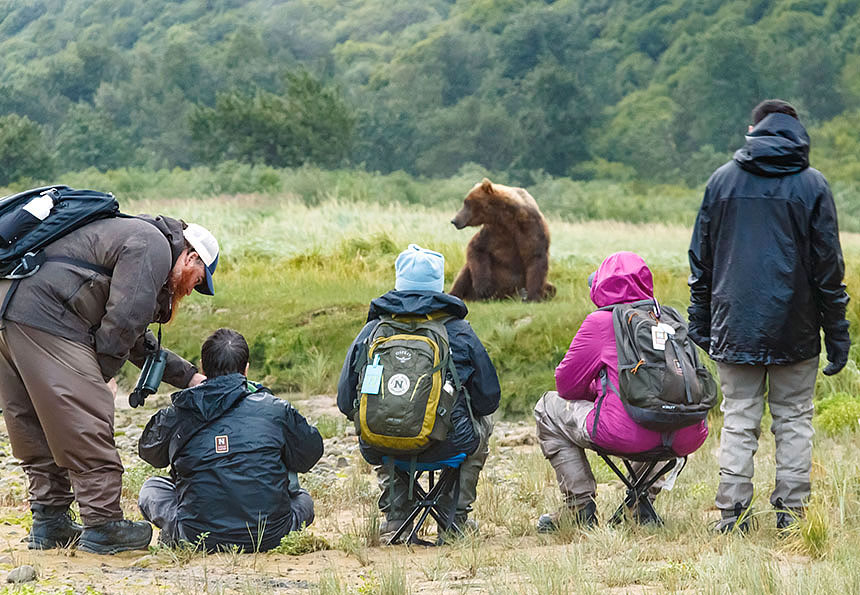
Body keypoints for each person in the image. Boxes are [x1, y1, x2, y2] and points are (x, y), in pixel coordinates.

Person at [0, 214, 220, 554]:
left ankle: (50, 522)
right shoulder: (153, 245)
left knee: (31, 423)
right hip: (49, 318)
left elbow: (135, 337)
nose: (193, 288)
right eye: (199, 280)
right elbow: (124, 322)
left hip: (4, 313)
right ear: (192, 256)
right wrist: (102, 374)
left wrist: (190, 377)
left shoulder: (131, 238)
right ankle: (103, 525)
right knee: (88, 421)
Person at [688, 99, 851, 533]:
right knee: (794, 417)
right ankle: (792, 514)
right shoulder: (813, 186)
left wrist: (699, 322)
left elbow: (700, 261)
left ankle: (733, 513)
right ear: (798, 134)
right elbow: (828, 270)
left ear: (752, 130)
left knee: (739, 416)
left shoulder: (721, 181)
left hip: (734, 321)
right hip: (796, 327)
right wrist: (837, 334)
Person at [535, 252, 708, 530]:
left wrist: (602, 388)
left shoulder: (600, 322)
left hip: (625, 433)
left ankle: (579, 506)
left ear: (601, 288)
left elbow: (566, 385)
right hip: (687, 432)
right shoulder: (668, 318)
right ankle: (640, 503)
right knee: (663, 414)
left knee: (547, 406)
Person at [337, 244, 500, 536]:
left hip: (379, 446)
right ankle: (454, 518)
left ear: (399, 283)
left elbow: (344, 400)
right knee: (484, 423)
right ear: (438, 286)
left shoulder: (373, 330)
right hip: (447, 443)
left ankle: (397, 514)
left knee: (378, 422)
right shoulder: (459, 330)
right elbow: (488, 400)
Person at [137, 328, 323, 552]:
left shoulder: (182, 410)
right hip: (271, 534)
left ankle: (177, 534)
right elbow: (309, 455)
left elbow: (150, 452)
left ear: (203, 368)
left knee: (151, 488)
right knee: (303, 499)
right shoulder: (275, 408)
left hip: (197, 536)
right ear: (246, 369)